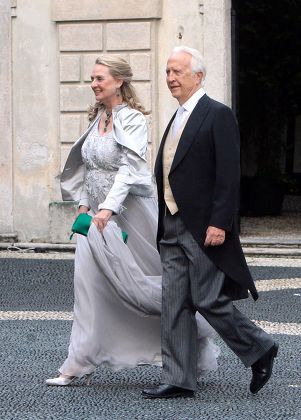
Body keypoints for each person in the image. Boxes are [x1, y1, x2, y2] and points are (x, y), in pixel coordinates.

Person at [46, 55, 220, 386]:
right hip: (94, 221)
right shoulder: (96, 118)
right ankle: (76, 363)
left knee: (155, 288)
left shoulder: (136, 121)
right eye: (92, 79)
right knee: (87, 288)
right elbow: (90, 170)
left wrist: (108, 209)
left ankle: (189, 347)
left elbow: (129, 170)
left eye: (99, 78)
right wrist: (85, 206)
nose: (94, 84)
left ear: (119, 81)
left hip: (131, 219)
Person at [142, 46, 278, 399]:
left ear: (197, 76)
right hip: (170, 223)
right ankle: (179, 378)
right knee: (173, 302)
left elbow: (227, 175)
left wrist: (221, 222)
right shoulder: (176, 116)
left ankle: (259, 346)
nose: (170, 78)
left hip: (202, 226)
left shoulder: (217, 114)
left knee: (206, 297)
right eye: (168, 72)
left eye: (177, 72)